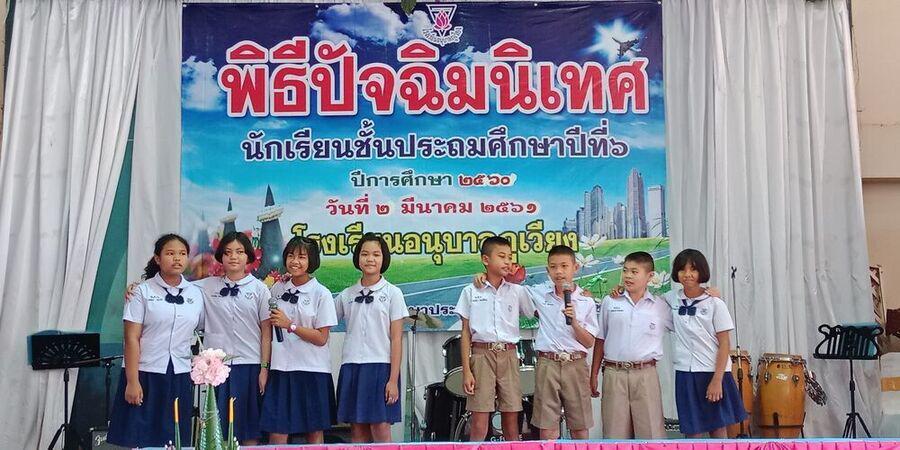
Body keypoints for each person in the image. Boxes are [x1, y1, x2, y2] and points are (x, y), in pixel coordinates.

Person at [107, 234, 204, 448]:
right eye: (170, 253)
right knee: (140, 437)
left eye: (182, 254)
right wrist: (132, 381)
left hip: (179, 373)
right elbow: (131, 338)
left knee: (174, 437)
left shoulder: (196, 293)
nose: (177, 258)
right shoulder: (141, 292)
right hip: (145, 372)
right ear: (158, 259)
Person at [455, 236, 534, 441]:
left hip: (509, 355)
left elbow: (534, 312)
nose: (507, 261)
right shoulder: (471, 291)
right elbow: (465, 333)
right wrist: (467, 371)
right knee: (479, 422)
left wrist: (519, 281)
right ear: (486, 259)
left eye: (510, 257)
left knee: (511, 419)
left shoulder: (517, 291)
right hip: (481, 355)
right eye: (502, 256)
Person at [261, 236, 337, 444]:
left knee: (313, 431)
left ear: (311, 261)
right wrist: (265, 367)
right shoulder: (277, 289)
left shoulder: (321, 294)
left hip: (312, 370)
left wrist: (290, 325)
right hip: (281, 369)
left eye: (302, 257)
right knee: (277, 431)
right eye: (291, 256)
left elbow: (321, 338)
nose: (295, 261)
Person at [334, 233, 408, 443]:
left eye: (376, 254)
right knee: (357, 431)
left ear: (384, 259)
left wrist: (393, 380)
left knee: (380, 428)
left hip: (380, 368)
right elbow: (322, 322)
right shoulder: (346, 294)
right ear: (358, 258)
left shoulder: (393, 293)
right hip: (352, 367)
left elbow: (396, 339)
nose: (370, 259)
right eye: (365, 254)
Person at [591, 251, 672, 439]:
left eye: (634, 272)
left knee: (651, 433)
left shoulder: (660, 306)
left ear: (650, 276)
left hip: (645, 374)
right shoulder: (610, 301)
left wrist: (709, 294)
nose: (628, 276)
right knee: (614, 434)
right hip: (614, 373)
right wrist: (593, 374)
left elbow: (685, 321)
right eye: (625, 270)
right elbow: (601, 339)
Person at [666, 249, 746, 438]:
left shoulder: (715, 303)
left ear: (701, 271)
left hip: (712, 371)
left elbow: (724, 343)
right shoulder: (671, 298)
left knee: (717, 428)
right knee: (692, 429)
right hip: (685, 373)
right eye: (682, 270)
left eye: (693, 269)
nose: (687, 274)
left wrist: (717, 380)